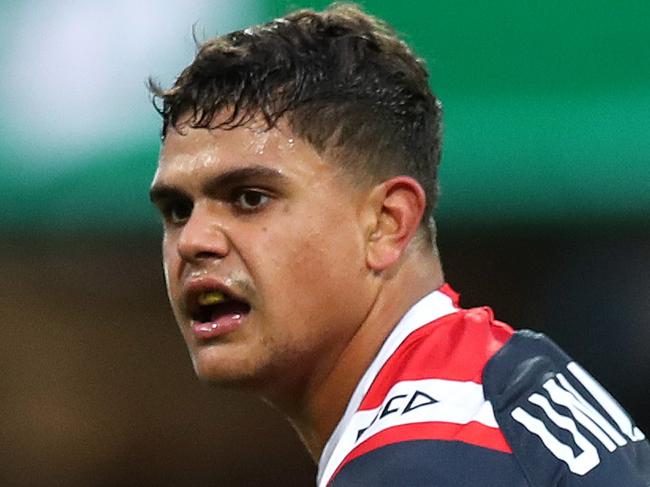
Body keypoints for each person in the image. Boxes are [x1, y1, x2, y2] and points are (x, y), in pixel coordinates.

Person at [148, 4, 650, 486]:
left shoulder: (424, 459)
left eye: (250, 198)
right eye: (176, 210)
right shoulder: (497, 384)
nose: (194, 240)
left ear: (387, 224)